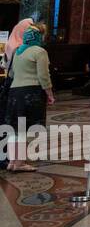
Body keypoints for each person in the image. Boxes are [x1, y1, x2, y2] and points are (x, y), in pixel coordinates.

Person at [3, 23, 54, 172]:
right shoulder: (39, 52)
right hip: (31, 93)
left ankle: (13, 162)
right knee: (25, 129)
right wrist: (49, 94)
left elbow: (11, 74)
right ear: (40, 37)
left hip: (14, 94)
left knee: (15, 129)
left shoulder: (17, 51)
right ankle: (20, 163)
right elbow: (43, 76)